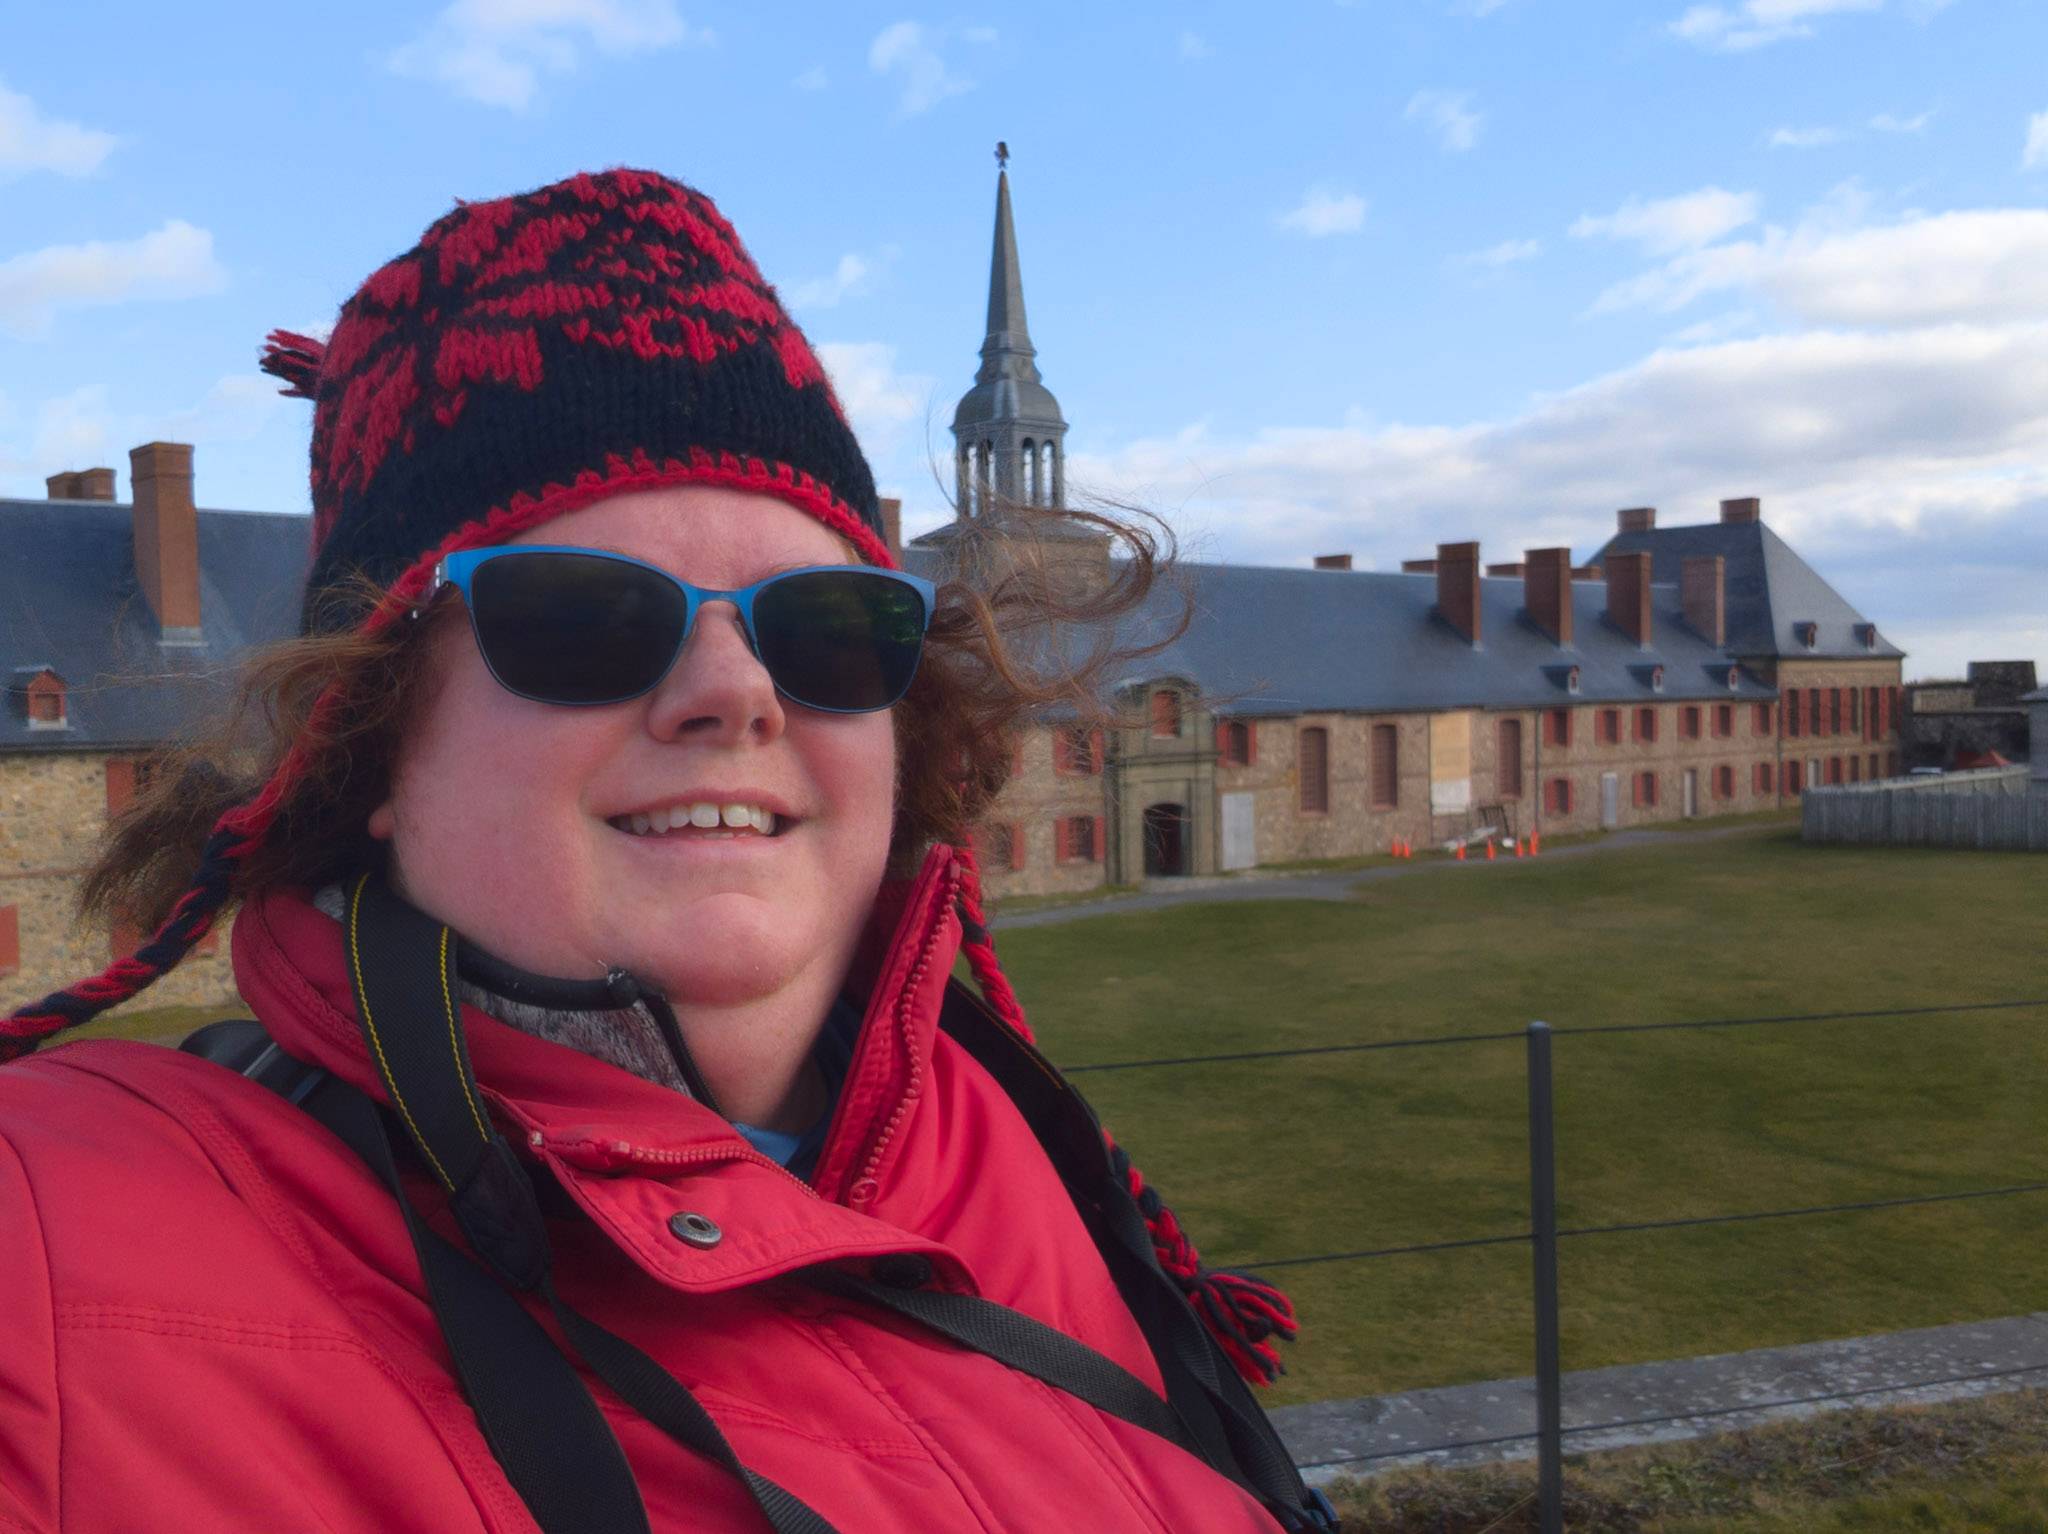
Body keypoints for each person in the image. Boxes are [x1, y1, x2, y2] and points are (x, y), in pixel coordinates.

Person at [0, 169, 1332, 1533]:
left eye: (825, 624)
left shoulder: (1008, 1140)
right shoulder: (68, 1254)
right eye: (584, 613)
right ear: (374, 740)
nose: (738, 688)